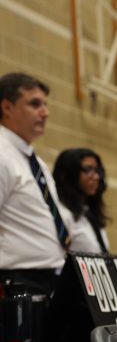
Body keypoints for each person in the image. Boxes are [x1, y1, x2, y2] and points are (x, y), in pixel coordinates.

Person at [0, 72, 68, 296]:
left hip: (49, 278)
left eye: (46, 105)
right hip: (17, 281)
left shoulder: (33, 160)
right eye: (34, 104)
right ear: (7, 108)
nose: (45, 112)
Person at [52, 148, 111, 254]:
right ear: (68, 173)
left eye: (97, 171)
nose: (96, 177)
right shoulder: (60, 213)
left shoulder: (89, 213)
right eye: (88, 169)